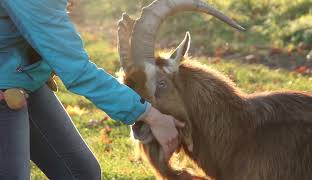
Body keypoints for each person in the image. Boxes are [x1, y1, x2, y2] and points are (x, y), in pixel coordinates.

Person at [0, 0, 184, 179]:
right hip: (6, 87)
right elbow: (78, 71)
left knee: (81, 173)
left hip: (22, 78)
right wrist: (151, 115)